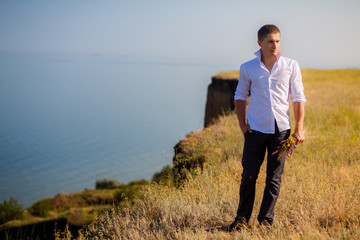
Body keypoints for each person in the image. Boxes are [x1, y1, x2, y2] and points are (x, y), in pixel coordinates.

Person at [229, 24, 306, 230]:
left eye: (278, 41)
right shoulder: (248, 68)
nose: (275, 45)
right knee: (249, 177)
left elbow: (298, 99)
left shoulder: (291, 65)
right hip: (254, 130)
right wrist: (243, 125)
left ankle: (265, 222)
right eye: (271, 41)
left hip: (281, 132)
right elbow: (239, 96)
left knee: (274, 179)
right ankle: (241, 221)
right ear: (260, 43)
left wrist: (299, 128)